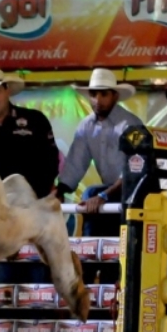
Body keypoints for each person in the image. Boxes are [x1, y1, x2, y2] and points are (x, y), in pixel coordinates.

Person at [0, 66, 60, 283]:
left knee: (38, 279)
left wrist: (33, 197)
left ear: (6, 90)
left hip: (32, 210)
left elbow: (50, 162)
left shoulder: (35, 120)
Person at [55, 68, 142, 237]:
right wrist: (58, 192)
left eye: (104, 94)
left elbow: (136, 171)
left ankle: (94, 257)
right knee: (91, 196)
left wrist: (103, 195)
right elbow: (75, 163)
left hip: (135, 192)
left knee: (91, 194)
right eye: (93, 94)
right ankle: (92, 259)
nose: (97, 100)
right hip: (111, 193)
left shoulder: (132, 125)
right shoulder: (86, 126)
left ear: (115, 96)